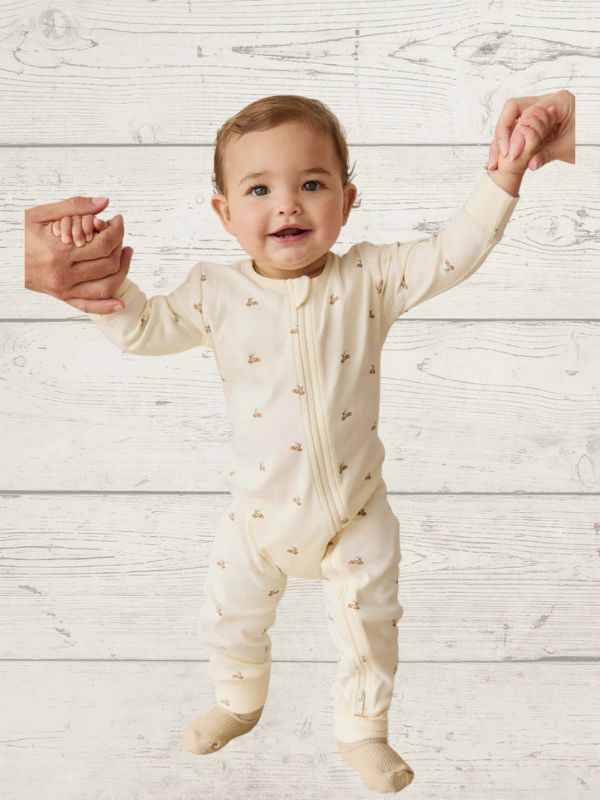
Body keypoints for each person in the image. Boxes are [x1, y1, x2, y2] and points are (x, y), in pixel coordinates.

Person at [36, 92, 564, 795]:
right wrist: (104, 282)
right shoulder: (211, 293)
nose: (287, 205)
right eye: (259, 189)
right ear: (225, 214)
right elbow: (142, 329)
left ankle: (363, 731)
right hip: (258, 518)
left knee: (369, 622)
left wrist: (503, 178)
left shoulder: (371, 278)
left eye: (311, 185)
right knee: (227, 616)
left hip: (356, 512)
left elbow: (452, 253)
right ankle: (237, 702)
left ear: (346, 203)